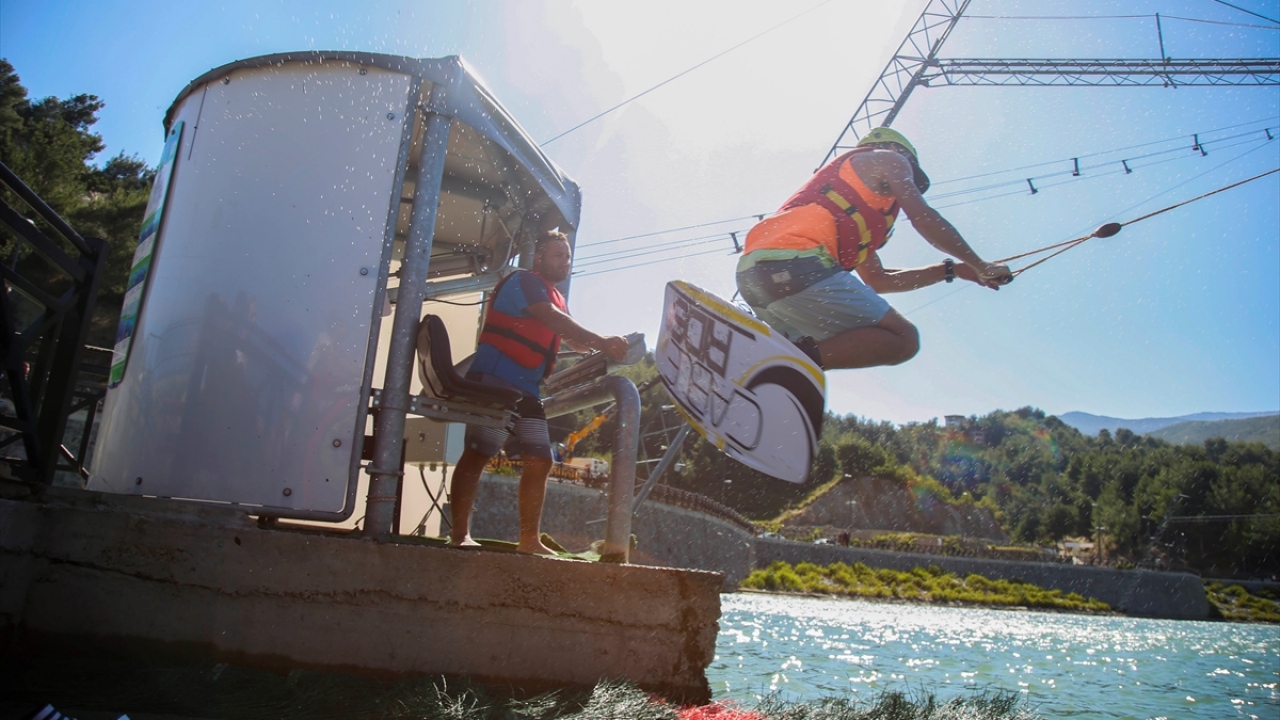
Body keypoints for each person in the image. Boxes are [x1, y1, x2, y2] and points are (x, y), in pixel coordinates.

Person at [735, 127, 1012, 370]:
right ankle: (784, 369)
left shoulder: (860, 214)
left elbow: (879, 280)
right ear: (896, 151)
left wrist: (954, 270)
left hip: (755, 275)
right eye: (911, 173)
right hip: (799, 265)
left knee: (823, 345)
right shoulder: (889, 158)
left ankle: (750, 358)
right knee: (902, 340)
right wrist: (982, 265)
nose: (909, 181)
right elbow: (923, 217)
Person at [447, 230, 630, 555]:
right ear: (539, 257)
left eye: (568, 256)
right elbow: (552, 319)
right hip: (495, 380)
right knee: (478, 453)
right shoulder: (525, 282)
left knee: (541, 460)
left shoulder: (556, 297)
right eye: (557, 255)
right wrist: (602, 341)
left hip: (525, 390)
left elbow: (572, 338)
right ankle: (459, 535)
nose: (565, 262)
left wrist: (606, 349)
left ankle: (528, 540)